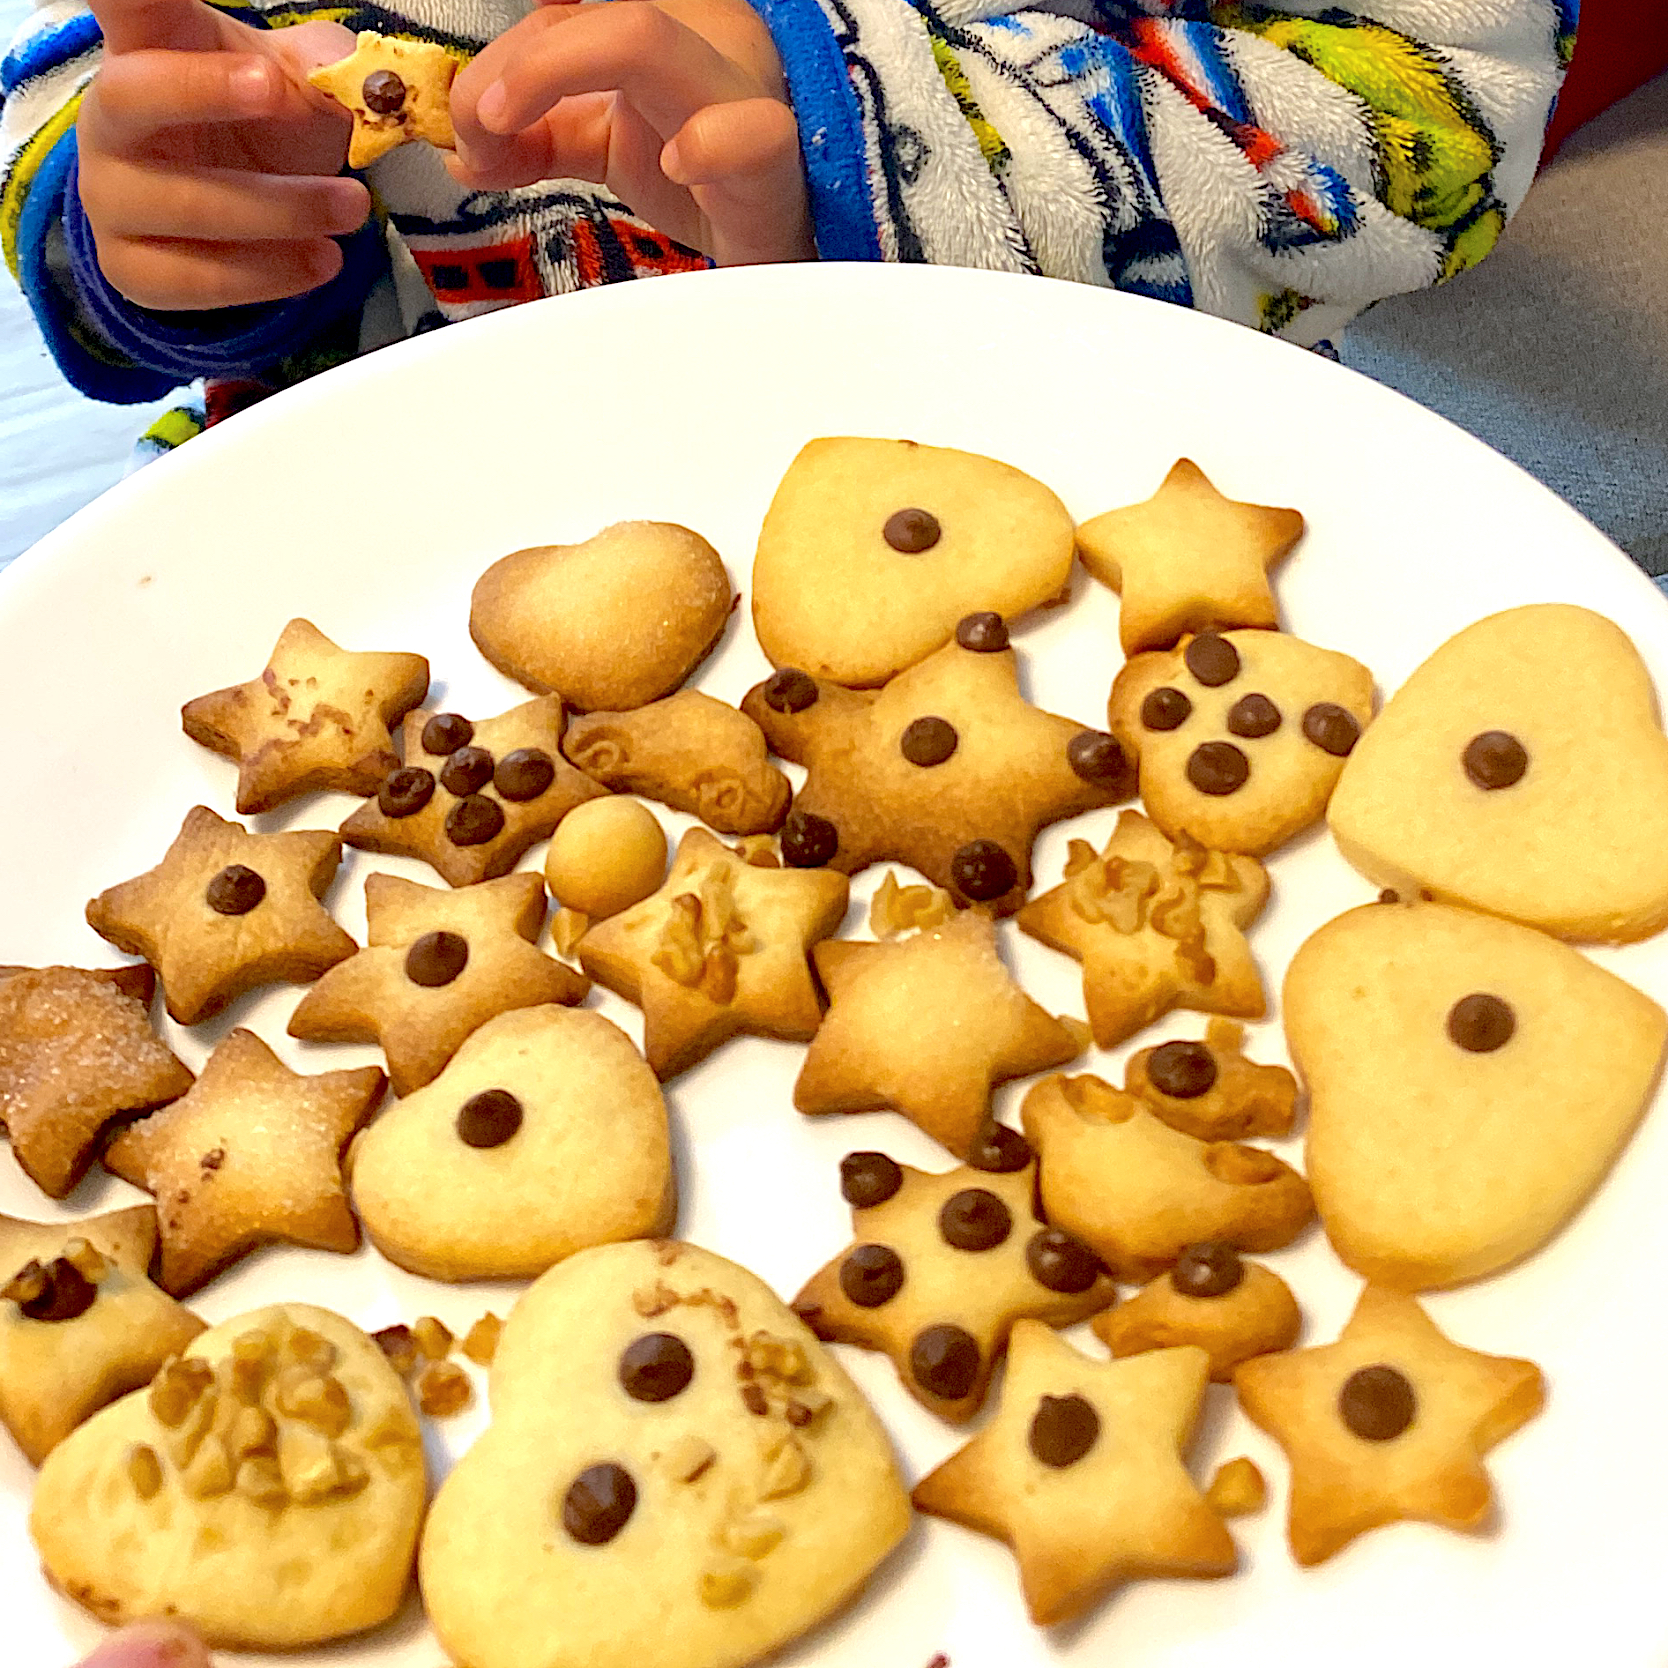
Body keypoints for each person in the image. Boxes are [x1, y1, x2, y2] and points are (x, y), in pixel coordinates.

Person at [0, 0, 1587, 437]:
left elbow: (1414, 113)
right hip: (365, 533)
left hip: (1048, 471)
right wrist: (172, 205)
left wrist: (841, 124)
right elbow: (101, 83)